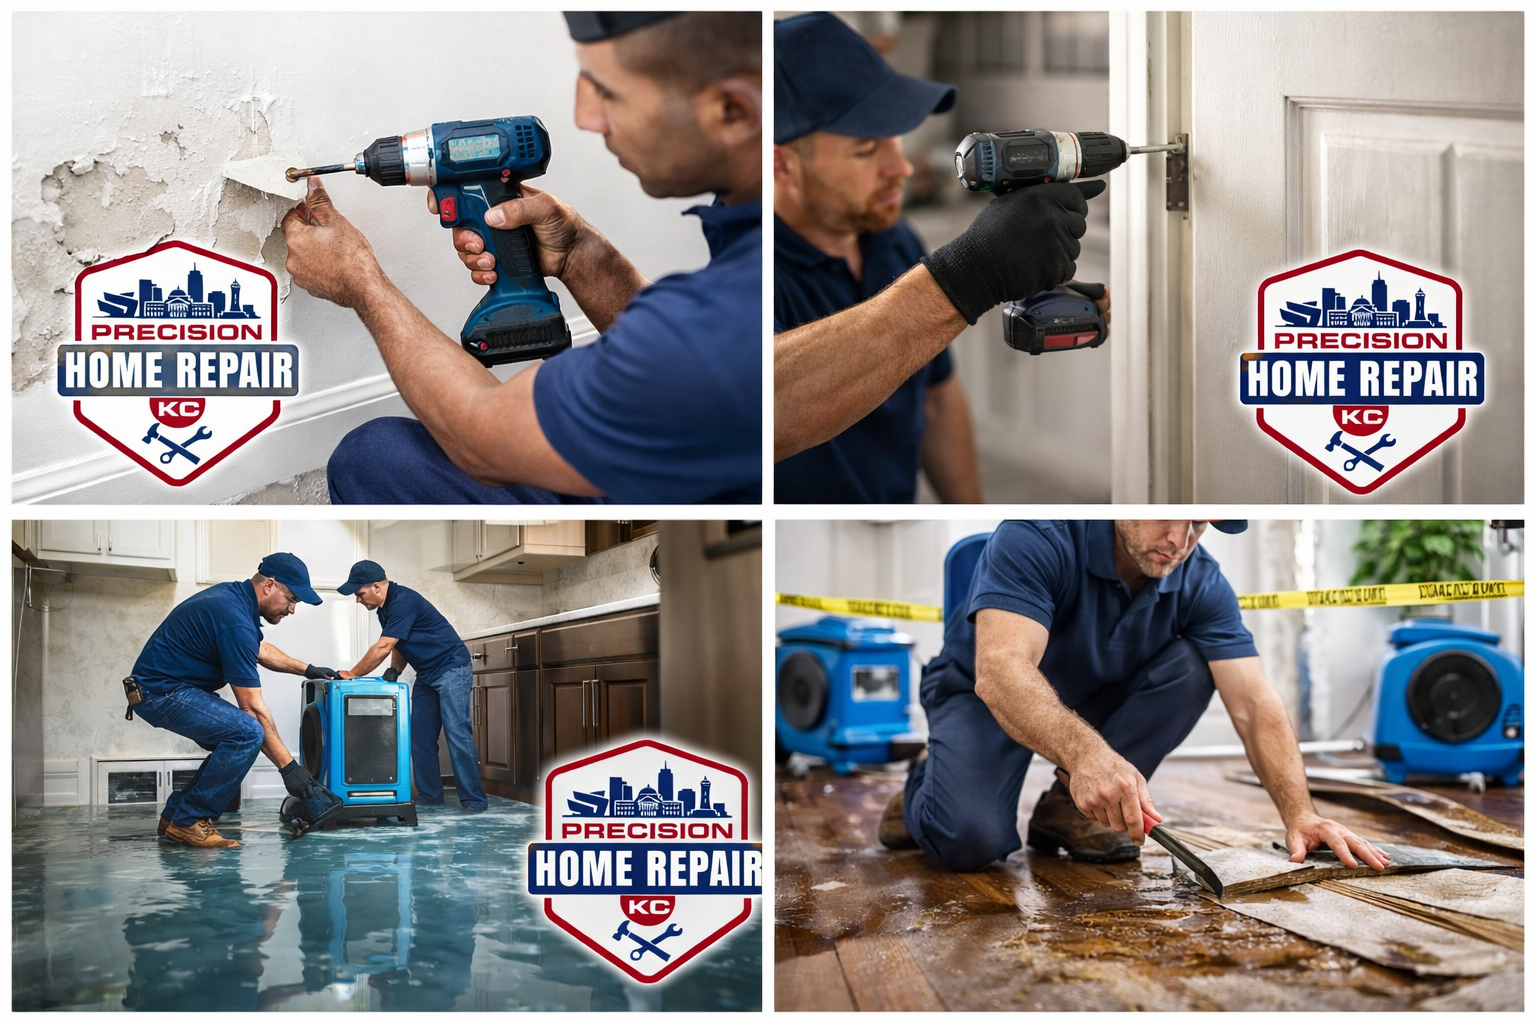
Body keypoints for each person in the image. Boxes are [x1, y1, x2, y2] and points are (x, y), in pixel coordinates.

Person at [282, 12, 761, 504]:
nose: (585, 117)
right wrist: (577, 253)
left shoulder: (738, 299)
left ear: (733, 110)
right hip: (688, 456)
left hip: (681, 492)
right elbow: (675, 360)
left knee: (373, 456)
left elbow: (484, 443)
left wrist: (361, 281)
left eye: (608, 90)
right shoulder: (748, 223)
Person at [882, 521, 1392, 876]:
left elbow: (1254, 702)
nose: (1180, 540)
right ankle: (925, 785)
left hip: (1090, 696)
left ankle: (1069, 811)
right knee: (969, 842)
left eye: (1199, 525)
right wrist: (1087, 755)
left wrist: (1300, 814)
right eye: (1168, 516)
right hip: (987, 695)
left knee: (1197, 662)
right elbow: (1000, 671)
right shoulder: (1038, 536)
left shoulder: (1201, 581)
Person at [773, 13, 1110, 483]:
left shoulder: (892, 240)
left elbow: (937, 398)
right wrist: (970, 273)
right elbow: (767, 407)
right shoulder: (750, 274)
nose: (902, 167)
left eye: (894, 137)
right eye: (866, 150)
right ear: (781, 165)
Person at [128, 553, 343, 849]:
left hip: (164, 688)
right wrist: (290, 770)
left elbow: (260, 649)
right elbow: (252, 708)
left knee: (240, 732)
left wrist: (307, 669)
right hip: (160, 692)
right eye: (292, 599)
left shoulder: (235, 600)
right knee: (246, 731)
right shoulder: (234, 619)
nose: (293, 609)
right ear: (269, 585)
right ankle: (190, 820)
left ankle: (176, 816)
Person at [337, 560, 485, 813]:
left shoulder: (403, 602)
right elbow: (398, 644)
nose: (357, 600)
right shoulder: (385, 608)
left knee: (457, 734)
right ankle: (430, 797)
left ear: (376, 587)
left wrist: (352, 673)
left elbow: (384, 646)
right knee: (420, 737)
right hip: (427, 674)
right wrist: (394, 672)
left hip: (451, 668)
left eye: (359, 594)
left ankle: (474, 800)